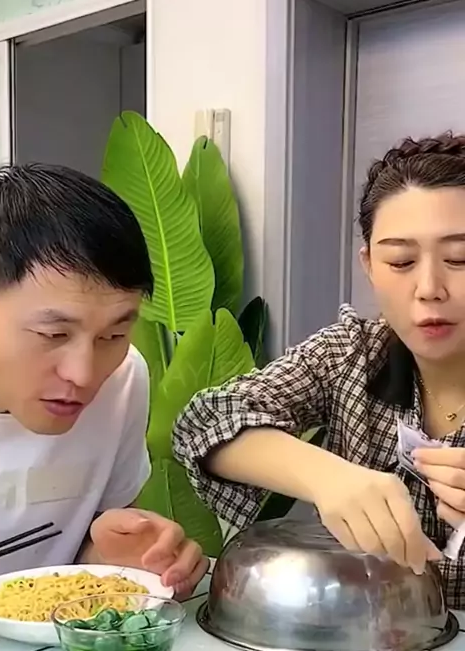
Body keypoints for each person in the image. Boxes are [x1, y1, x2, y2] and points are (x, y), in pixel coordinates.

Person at [173, 132, 465, 609]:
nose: (429, 287)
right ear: (369, 265)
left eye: (460, 258)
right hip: (365, 638)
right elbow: (206, 419)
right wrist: (328, 477)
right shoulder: (352, 354)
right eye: (401, 261)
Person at [0, 163, 207, 598]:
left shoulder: (122, 380)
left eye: (113, 336)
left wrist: (118, 561)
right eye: (53, 335)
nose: (84, 375)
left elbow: (68, 564)